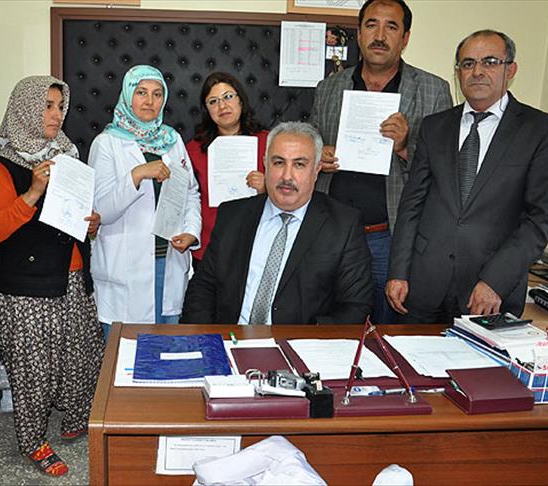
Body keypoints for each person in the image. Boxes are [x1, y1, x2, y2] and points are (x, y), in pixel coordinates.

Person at [386, 30, 548, 323]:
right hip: (423, 285)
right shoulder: (434, 127)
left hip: (490, 291)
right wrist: (398, 271)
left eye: (490, 62)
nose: (477, 71)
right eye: (467, 63)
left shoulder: (540, 130)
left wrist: (495, 280)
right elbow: (412, 205)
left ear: (511, 69)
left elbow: (539, 219)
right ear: (457, 72)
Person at [0, 76, 104, 476]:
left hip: (73, 277)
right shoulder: (2, 166)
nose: (56, 115)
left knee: (82, 355)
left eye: (59, 106)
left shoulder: (67, 156)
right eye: (47, 106)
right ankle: (33, 441)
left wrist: (91, 223)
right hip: (27, 287)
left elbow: (73, 214)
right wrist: (32, 192)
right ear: (25, 109)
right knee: (34, 368)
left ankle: (75, 419)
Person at [311, 0, 452, 324]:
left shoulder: (434, 90)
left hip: (389, 237)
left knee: (387, 328)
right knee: (329, 325)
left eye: (391, 26)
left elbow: (447, 172)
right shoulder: (329, 87)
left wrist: (405, 147)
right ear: (359, 33)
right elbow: (310, 144)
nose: (380, 35)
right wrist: (318, 155)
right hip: (331, 233)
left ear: (405, 38)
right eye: (372, 25)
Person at [181, 122, 373, 325]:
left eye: (299, 164)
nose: (287, 176)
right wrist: (207, 339)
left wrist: (305, 339)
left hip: (300, 341)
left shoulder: (343, 225)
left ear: (316, 170)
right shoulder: (232, 215)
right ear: (265, 163)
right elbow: (203, 287)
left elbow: (356, 306)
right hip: (232, 337)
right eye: (279, 162)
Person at [88, 65, 201, 339]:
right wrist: (136, 175)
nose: (149, 101)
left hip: (169, 260)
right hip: (125, 270)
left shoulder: (172, 140)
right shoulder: (106, 143)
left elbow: (191, 193)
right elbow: (100, 210)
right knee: (125, 354)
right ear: (128, 96)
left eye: (157, 94)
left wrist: (191, 232)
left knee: (167, 350)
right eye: (141, 92)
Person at [186, 72, 268, 266]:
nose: (222, 106)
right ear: (206, 109)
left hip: (256, 242)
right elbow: (188, 197)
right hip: (210, 244)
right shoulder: (194, 149)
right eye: (213, 101)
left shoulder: (268, 141)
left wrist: (267, 187)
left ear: (241, 100)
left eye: (228, 97)